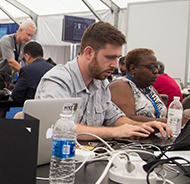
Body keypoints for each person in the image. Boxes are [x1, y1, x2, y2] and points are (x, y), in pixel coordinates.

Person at [35, 21, 171, 140]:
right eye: (110, 57)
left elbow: (114, 118)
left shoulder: (101, 83)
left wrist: (143, 126)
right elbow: (60, 128)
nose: (116, 65)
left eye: (117, 58)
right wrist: (115, 132)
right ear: (89, 53)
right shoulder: (58, 80)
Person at [109, 48, 167, 123]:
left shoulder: (148, 87)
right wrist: (166, 122)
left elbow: (165, 115)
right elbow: (127, 119)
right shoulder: (120, 85)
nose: (156, 71)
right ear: (133, 68)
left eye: (156, 67)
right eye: (151, 67)